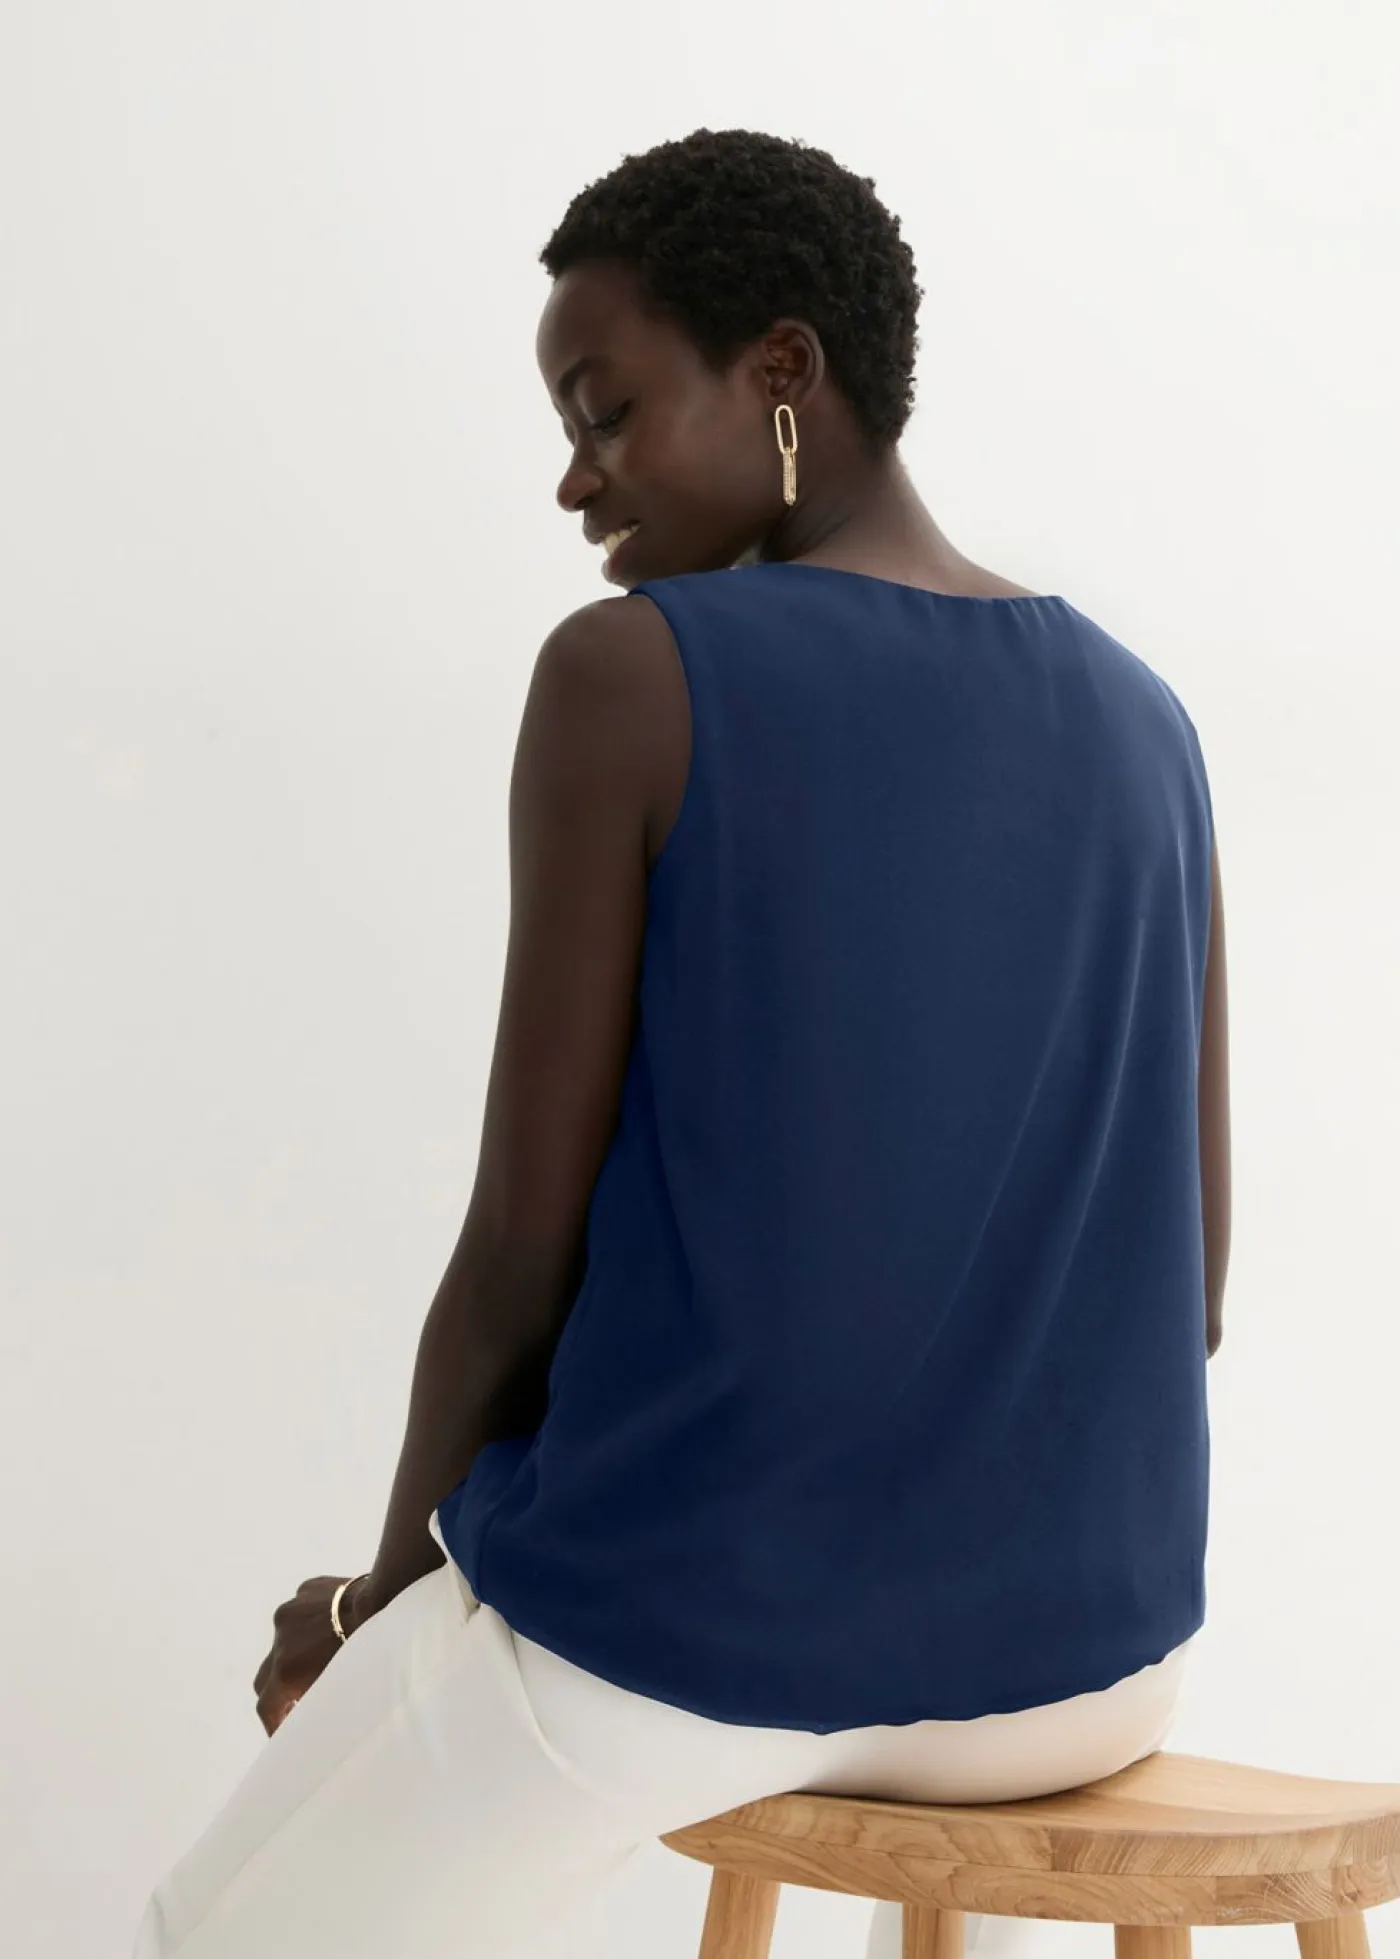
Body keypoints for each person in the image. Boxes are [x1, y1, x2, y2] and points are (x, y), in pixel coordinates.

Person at [132, 127, 1229, 1959]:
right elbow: (1191, 1287)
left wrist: (378, 1604)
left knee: (209, 1936)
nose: (575, 479)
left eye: (606, 411)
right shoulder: (1149, 722)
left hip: (712, 1635)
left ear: (784, 369)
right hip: (1094, 1664)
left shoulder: (633, 672)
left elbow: (521, 1255)